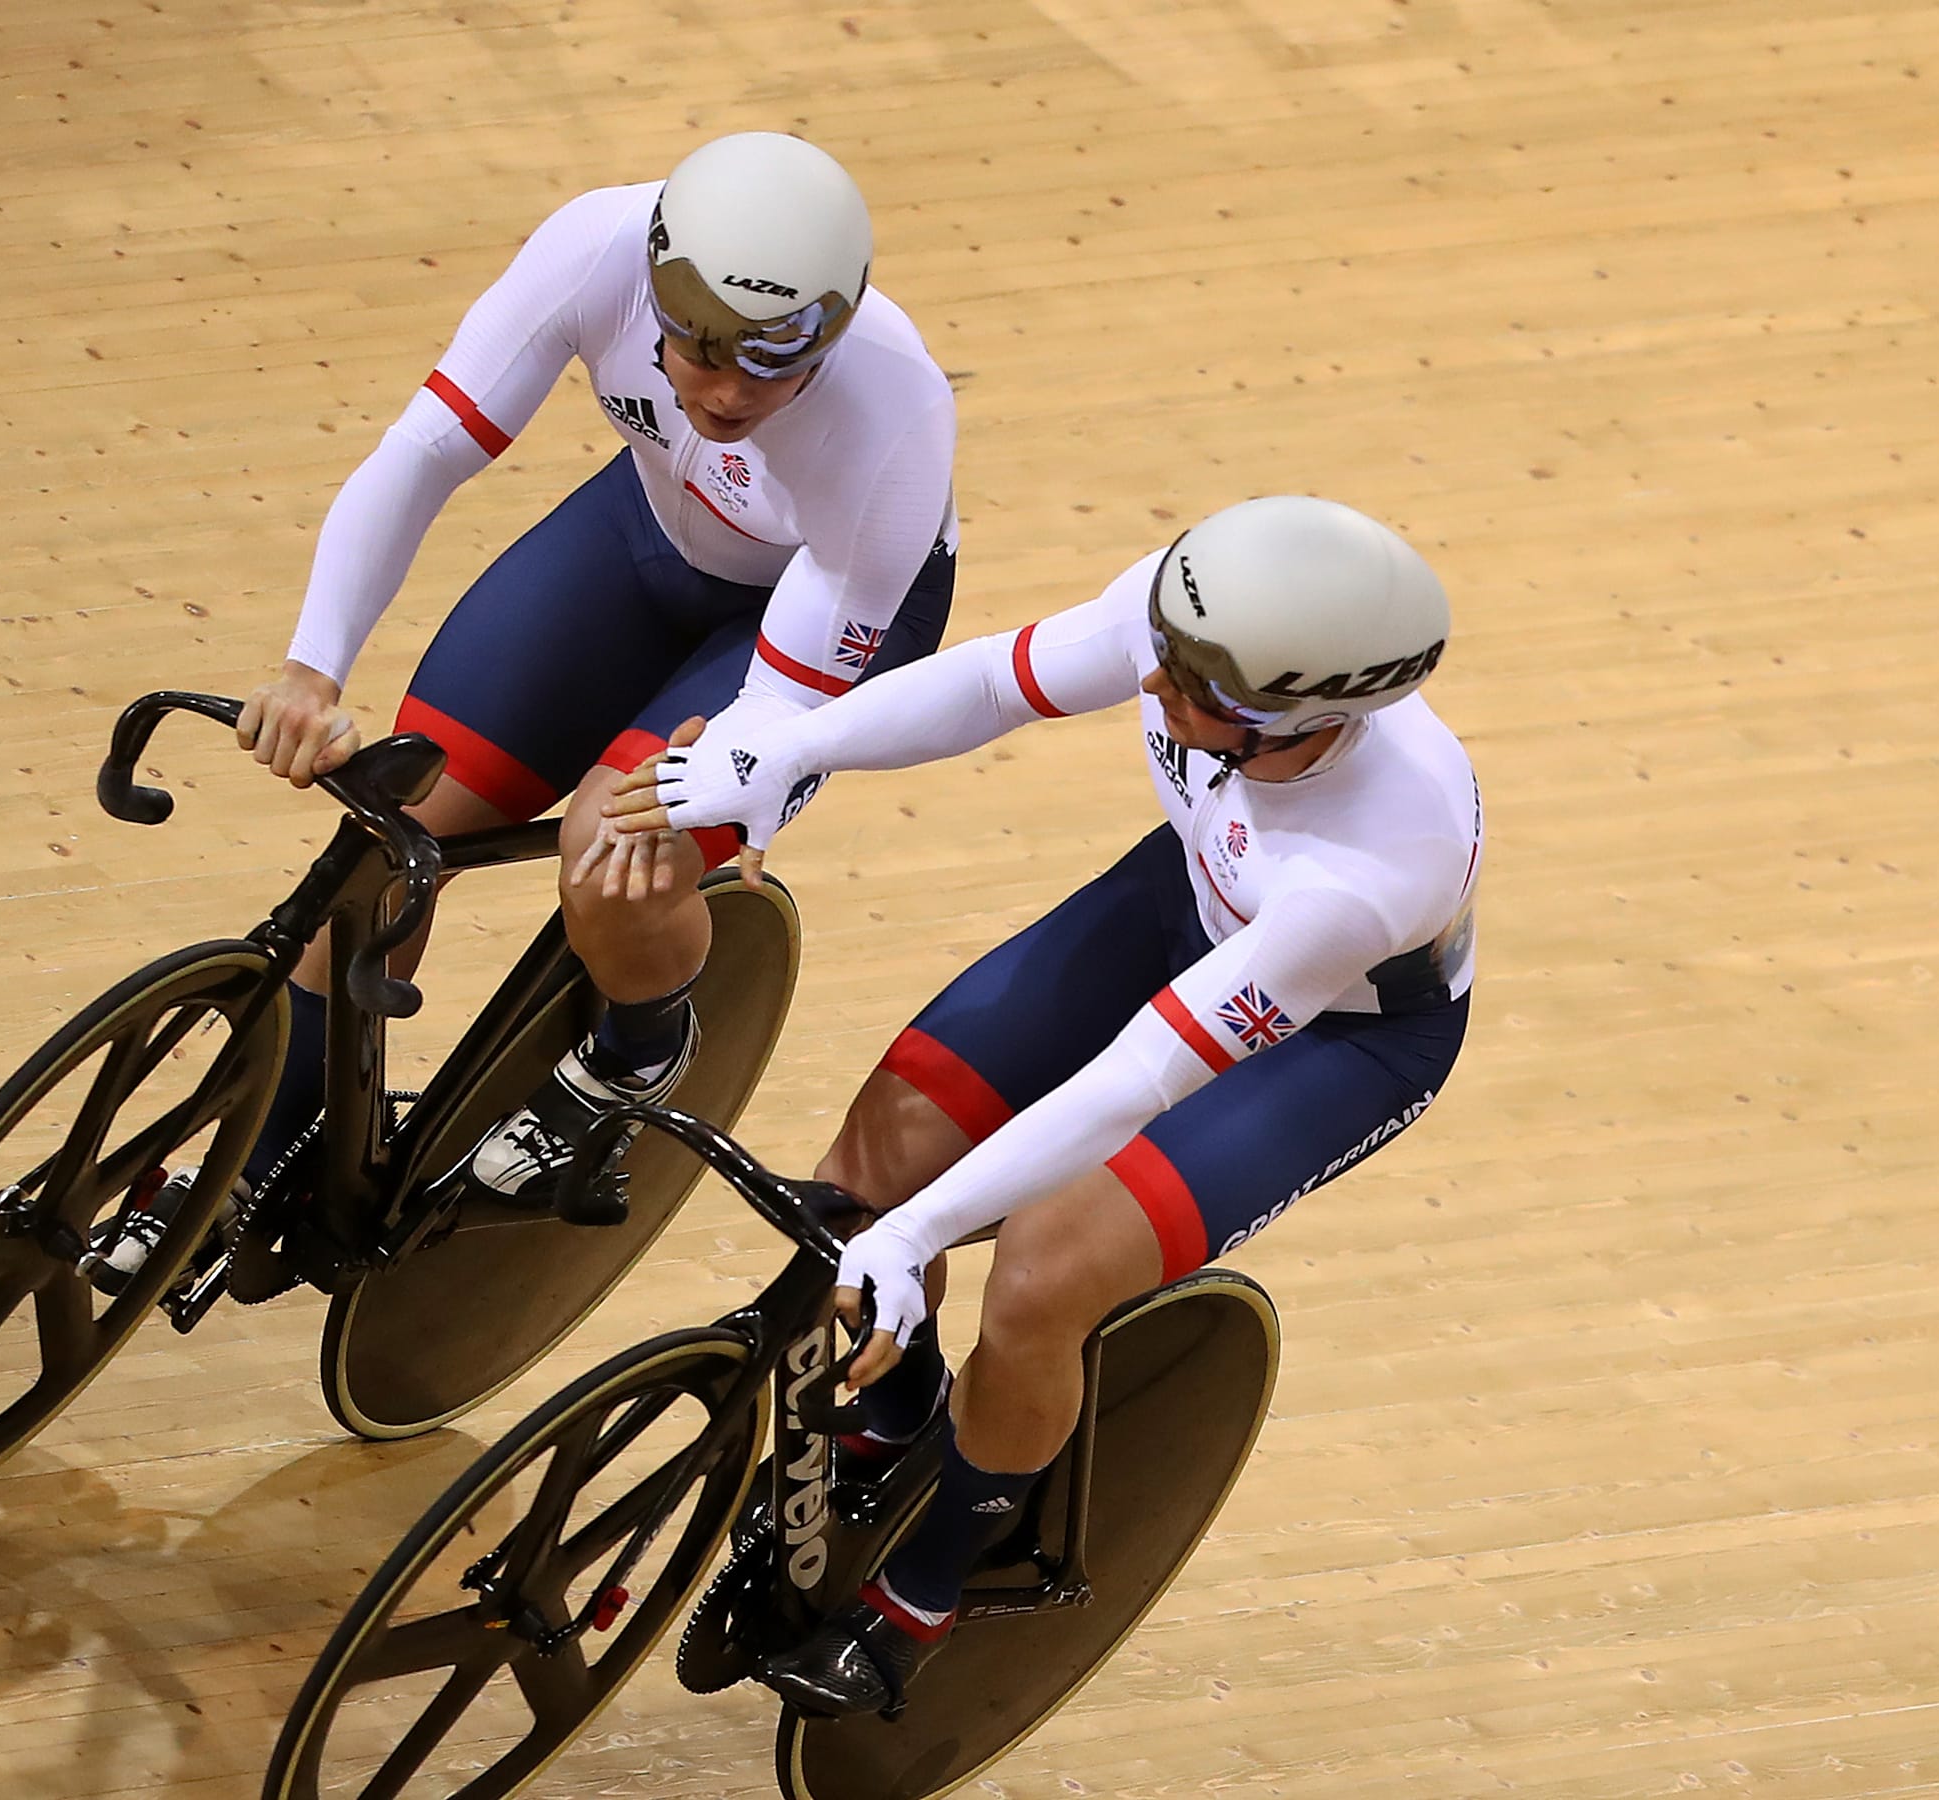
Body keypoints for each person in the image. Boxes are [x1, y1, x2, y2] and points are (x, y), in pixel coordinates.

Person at [611, 494, 1481, 1714]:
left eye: (1203, 703)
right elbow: (987, 685)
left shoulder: (1374, 862)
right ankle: (901, 1407)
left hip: (1338, 1038)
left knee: (1039, 1275)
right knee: (875, 1159)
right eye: (1166, 668)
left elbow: (1135, 1080)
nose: (1163, 697)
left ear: (1317, 721)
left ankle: (927, 1587)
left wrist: (916, 1243)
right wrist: (794, 745)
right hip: (1186, 902)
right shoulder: (1202, 621)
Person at [224, 130, 961, 1211]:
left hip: (819, 615)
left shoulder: (893, 417)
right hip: (644, 536)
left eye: (773, 364)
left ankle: (638, 1054)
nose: (726, 394)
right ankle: (253, 1169)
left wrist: (721, 782)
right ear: (655, 289)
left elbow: (778, 705)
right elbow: (423, 452)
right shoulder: (596, 249)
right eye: (700, 350)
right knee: (395, 825)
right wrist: (310, 667)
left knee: (613, 852)